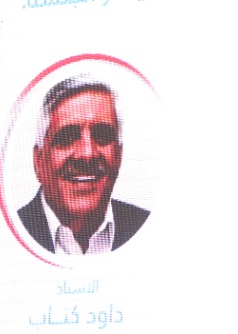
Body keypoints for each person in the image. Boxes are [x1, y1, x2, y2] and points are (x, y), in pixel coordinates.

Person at [16, 76, 150, 255]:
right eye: (67, 137)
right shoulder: (12, 231)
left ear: (119, 156)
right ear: (39, 162)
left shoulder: (147, 228)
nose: (87, 154)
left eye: (102, 135)